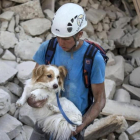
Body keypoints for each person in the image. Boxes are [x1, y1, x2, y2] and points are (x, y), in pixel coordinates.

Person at [28, 3, 106, 140]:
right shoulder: (48, 48)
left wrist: (80, 127)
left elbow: (100, 100)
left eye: (65, 38)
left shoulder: (93, 59)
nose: (60, 42)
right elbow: (34, 81)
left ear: (80, 34)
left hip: (72, 124)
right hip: (45, 119)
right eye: (57, 36)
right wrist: (31, 99)